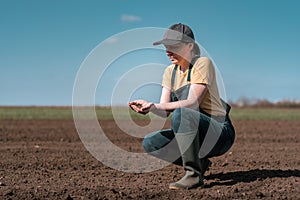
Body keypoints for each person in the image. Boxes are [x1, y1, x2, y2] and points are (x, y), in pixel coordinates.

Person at [128, 23, 235, 190]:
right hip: (192, 128)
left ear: (190, 45)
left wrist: (158, 105)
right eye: (166, 47)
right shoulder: (169, 72)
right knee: (151, 142)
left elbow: (193, 102)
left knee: (182, 113)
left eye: (173, 46)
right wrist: (150, 107)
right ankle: (200, 162)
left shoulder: (202, 63)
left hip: (219, 133)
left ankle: (193, 175)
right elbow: (164, 111)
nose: (168, 51)